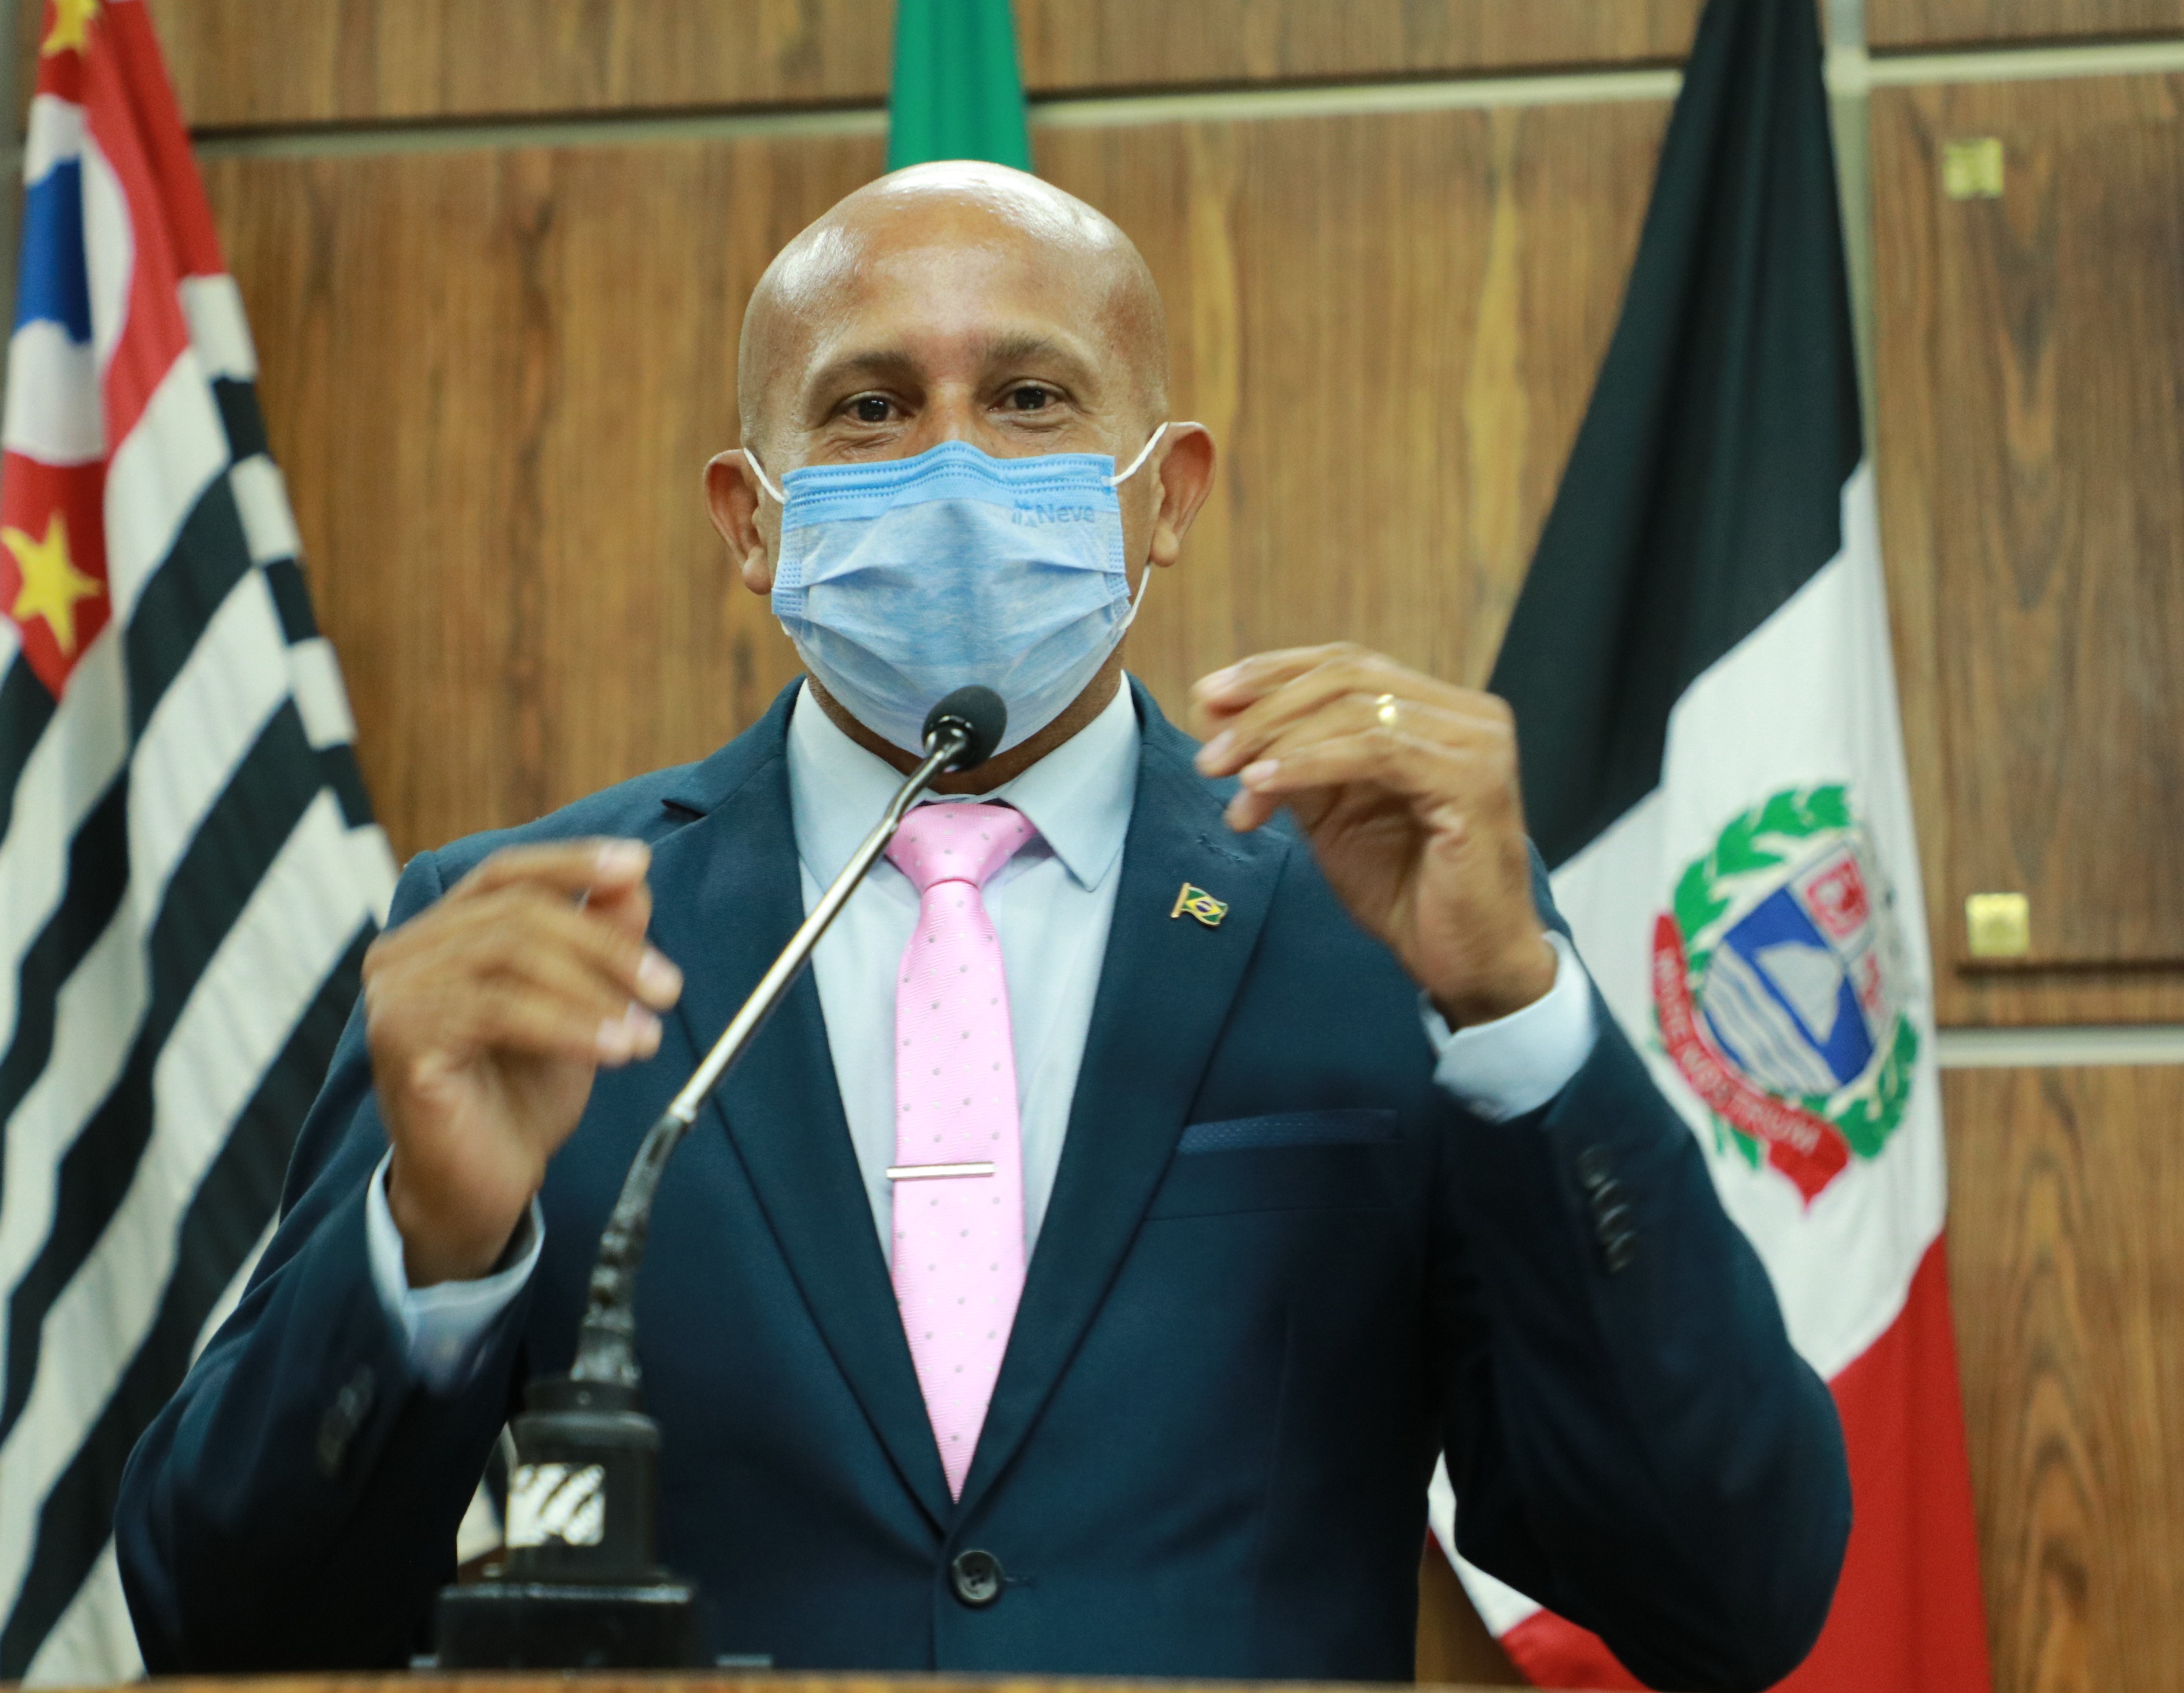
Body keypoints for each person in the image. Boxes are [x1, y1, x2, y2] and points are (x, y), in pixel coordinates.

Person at [117, 161, 1848, 1689]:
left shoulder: (1377, 925)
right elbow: (220, 1625)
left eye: (1028, 398)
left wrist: (1525, 1025)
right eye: (869, 409)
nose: (951, 460)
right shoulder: (537, 936)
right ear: (750, 519)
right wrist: (427, 1255)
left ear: (1169, 494)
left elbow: (1729, 1593)